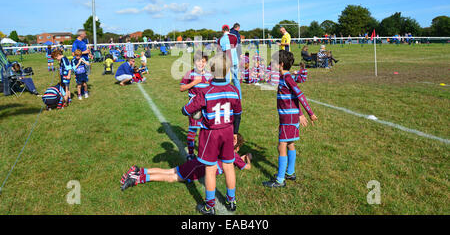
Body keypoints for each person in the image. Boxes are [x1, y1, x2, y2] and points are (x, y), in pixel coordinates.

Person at [181, 53, 242, 215]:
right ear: (228, 70)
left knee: (210, 169)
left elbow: (186, 110)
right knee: (229, 166)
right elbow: (238, 114)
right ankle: (231, 200)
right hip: (228, 131)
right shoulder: (234, 90)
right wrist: (235, 131)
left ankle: (209, 206)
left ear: (211, 70)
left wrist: (194, 110)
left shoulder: (206, 92)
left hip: (211, 134)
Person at [120, 133, 251, 191]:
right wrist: (248, 157)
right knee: (172, 177)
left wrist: (242, 156)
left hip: (196, 162)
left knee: (170, 171)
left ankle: (138, 170)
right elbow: (247, 168)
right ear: (238, 148)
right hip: (198, 168)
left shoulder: (223, 147)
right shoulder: (233, 154)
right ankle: (137, 179)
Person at [263, 50, 317, 188]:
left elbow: (300, 95)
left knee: (281, 146)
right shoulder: (282, 78)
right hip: (289, 116)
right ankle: (290, 173)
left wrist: (309, 113)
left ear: (281, 64)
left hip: (288, 118)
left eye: (274, 62)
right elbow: (293, 98)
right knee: (290, 144)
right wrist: (300, 114)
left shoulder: (287, 79)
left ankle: (280, 180)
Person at [180, 51, 212, 160]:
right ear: (194, 62)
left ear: (206, 62)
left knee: (207, 130)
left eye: (203, 61)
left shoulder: (209, 74)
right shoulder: (189, 74)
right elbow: (182, 88)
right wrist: (194, 83)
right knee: (193, 129)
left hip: (207, 107)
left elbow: (213, 89)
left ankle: (206, 152)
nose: (201, 64)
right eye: (198, 61)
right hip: (194, 108)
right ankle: (191, 154)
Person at [217, 24, 241, 98]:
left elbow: (219, 51)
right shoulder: (234, 37)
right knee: (236, 79)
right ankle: (239, 96)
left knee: (227, 80)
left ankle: (228, 97)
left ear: (222, 30)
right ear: (229, 30)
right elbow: (236, 46)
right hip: (234, 60)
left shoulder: (220, 39)